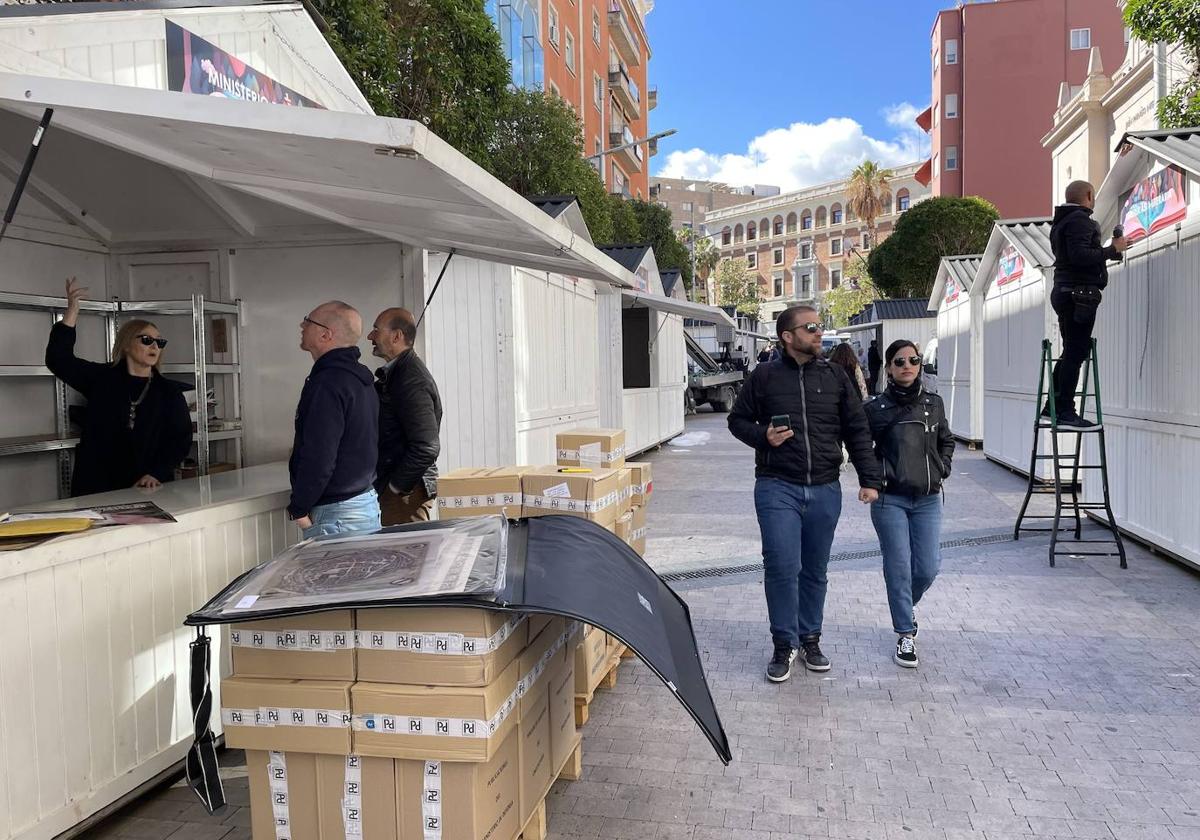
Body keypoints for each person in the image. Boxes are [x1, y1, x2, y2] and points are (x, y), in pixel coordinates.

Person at [728, 305, 883, 683]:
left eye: (819, 327)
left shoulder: (835, 376)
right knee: (782, 566)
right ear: (787, 336)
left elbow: (857, 428)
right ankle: (784, 643)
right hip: (776, 485)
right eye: (811, 327)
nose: (818, 333)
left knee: (814, 569)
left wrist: (870, 478)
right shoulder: (764, 376)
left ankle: (809, 638)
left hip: (826, 488)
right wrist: (762, 435)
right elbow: (737, 421)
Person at [45, 277, 191, 496]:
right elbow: (58, 359)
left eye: (159, 342)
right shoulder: (102, 379)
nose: (154, 346)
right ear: (126, 345)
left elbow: (180, 439)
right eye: (146, 340)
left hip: (146, 487)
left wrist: (157, 473)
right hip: (96, 487)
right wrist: (72, 312)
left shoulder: (168, 391)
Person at [863, 340, 955, 669]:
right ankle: (905, 632)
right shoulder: (875, 409)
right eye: (899, 361)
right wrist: (871, 481)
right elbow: (862, 449)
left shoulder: (934, 403)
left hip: (928, 498)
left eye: (913, 360)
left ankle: (904, 607)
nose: (907, 365)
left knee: (927, 568)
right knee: (899, 568)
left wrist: (942, 467)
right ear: (888, 367)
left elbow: (946, 439)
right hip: (890, 499)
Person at [289, 301, 381, 539]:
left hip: (338, 515)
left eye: (308, 320)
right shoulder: (359, 379)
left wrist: (299, 507)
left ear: (325, 334)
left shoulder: (328, 383)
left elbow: (319, 453)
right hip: (363, 504)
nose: (302, 324)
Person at [1047, 180, 1128, 427]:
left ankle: (1052, 407)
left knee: (1071, 350)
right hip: (1078, 295)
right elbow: (1080, 256)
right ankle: (1064, 411)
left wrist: (1110, 251)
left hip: (1066, 292)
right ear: (1089, 195)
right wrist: (1110, 249)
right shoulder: (1080, 220)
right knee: (1076, 352)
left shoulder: (1062, 222)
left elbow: (1075, 256)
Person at [368, 307, 443, 525]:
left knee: (412, 557)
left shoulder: (410, 379)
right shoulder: (398, 373)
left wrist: (395, 488)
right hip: (399, 491)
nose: (370, 336)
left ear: (397, 336)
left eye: (375, 330)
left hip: (405, 495)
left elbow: (427, 446)